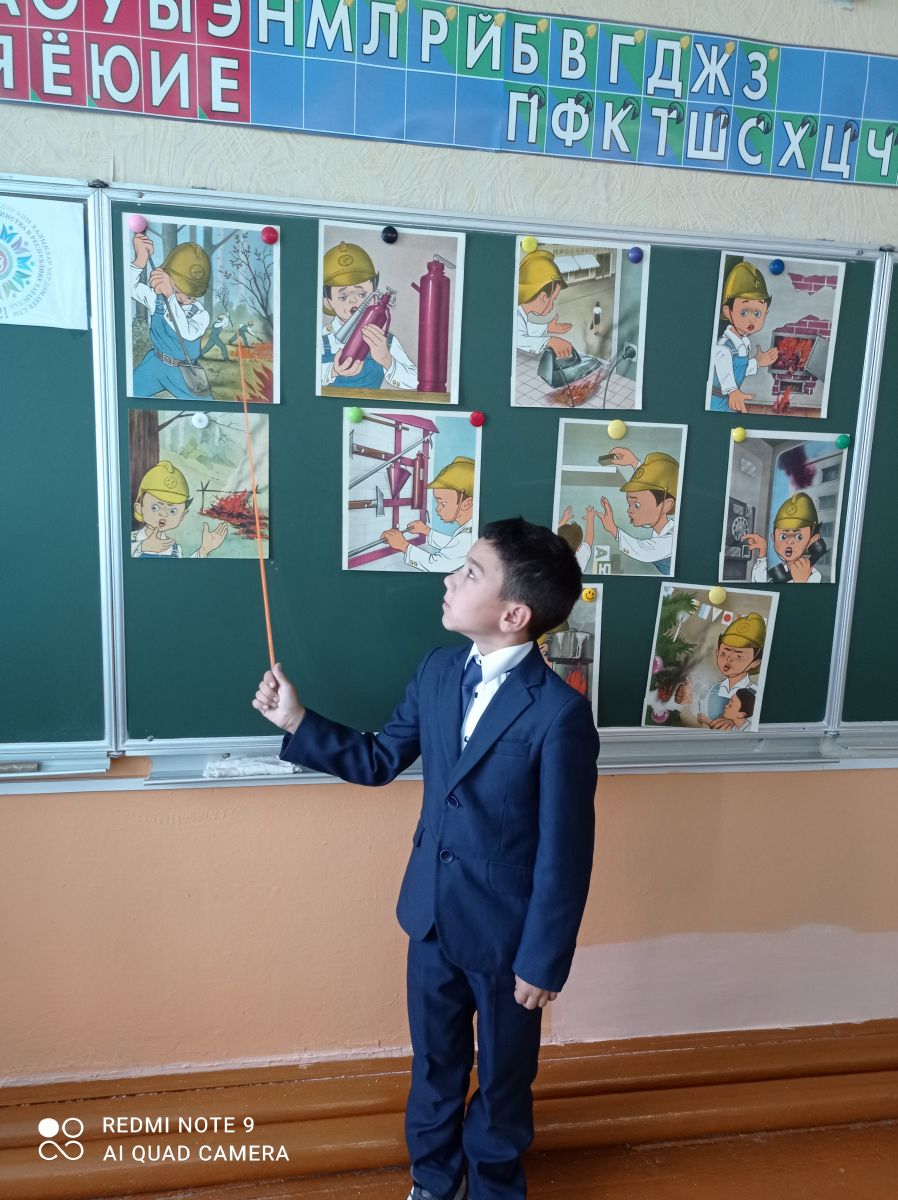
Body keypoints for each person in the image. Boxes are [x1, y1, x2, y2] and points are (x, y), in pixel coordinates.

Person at [252, 519, 599, 1200]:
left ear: (513, 614)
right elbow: (381, 759)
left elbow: (567, 851)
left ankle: (494, 1186)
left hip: (507, 940)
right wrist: (297, 722)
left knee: (503, 1078)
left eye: (470, 572)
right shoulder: (438, 671)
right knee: (435, 1065)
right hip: (431, 917)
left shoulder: (559, 715)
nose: (449, 578)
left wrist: (543, 959)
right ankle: (435, 1180)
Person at [320, 241, 418, 391]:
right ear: (328, 303)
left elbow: (416, 381)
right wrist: (332, 370)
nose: (353, 300)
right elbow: (303, 374)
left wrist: (386, 359)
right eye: (343, 297)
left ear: (374, 296)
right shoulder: (321, 339)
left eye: (362, 294)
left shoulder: (386, 341)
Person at [130, 232, 212, 401]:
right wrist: (140, 260)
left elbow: (186, 332)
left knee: (207, 407)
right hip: (155, 363)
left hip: (185, 372)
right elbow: (129, 288)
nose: (183, 299)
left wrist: (171, 295)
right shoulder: (156, 299)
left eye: (190, 296)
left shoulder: (201, 315)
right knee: (127, 392)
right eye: (177, 291)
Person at [381, 456, 476, 574]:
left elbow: (437, 565)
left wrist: (403, 545)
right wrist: (426, 531)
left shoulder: (466, 537)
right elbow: (453, 545)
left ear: (466, 504)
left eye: (443, 503)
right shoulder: (469, 532)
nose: (437, 509)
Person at [709, 260, 779, 413]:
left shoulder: (744, 342)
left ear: (766, 313)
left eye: (757, 313)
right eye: (744, 312)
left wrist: (758, 362)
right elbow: (725, 372)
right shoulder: (723, 348)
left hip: (731, 401)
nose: (751, 319)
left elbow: (738, 369)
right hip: (716, 402)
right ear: (728, 312)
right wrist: (733, 391)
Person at [596, 447, 678, 574]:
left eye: (637, 505)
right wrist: (634, 462)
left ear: (666, 505)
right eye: (629, 504)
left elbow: (644, 551)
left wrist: (613, 529)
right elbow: (650, 491)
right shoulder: (662, 529)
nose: (629, 511)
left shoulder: (672, 538)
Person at [131, 460, 228, 559]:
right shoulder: (129, 541)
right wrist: (142, 546)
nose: (164, 514)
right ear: (139, 508)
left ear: (182, 515)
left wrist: (204, 550)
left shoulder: (175, 549)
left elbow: (184, 568)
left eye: (173, 511)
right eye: (155, 507)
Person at [701, 612, 766, 727]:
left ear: (755, 662)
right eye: (724, 653)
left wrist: (735, 721)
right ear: (717, 653)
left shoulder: (755, 694)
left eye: (739, 656)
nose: (729, 659)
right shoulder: (713, 689)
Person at [742, 492, 823, 584]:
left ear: (813, 540)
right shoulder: (782, 573)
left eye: (799, 537)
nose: (789, 541)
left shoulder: (814, 576)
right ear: (774, 538)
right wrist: (762, 553)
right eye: (783, 536)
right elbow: (760, 588)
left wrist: (800, 582)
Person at [514, 248, 573, 358]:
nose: (553, 305)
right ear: (543, 297)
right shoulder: (515, 315)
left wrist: (548, 328)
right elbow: (518, 338)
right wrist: (550, 341)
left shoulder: (518, 312)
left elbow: (524, 328)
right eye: (553, 299)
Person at [557, 504, 596, 574]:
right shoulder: (579, 562)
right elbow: (589, 540)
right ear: (579, 547)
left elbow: (555, 532)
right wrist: (590, 519)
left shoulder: (551, 554)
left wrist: (564, 519)